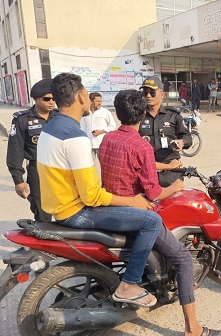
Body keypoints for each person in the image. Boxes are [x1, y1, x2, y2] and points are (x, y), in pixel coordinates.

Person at [99, 89, 221, 336]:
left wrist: (167, 167)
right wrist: (175, 188)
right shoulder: (142, 146)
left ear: (117, 113)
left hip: (109, 207)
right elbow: (154, 192)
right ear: (143, 113)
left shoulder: (107, 139)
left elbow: (139, 163)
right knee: (182, 259)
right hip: (135, 212)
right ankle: (193, 329)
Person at [37, 73, 160, 307]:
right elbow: (92, 196)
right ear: (81, 96)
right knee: (151, 221)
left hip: (57, 208)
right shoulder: (75, 138)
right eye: (86, 93)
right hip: (76, 212)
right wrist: (133, 202)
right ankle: (130, 284)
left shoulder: (50, 127)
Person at [6, 79, 57, 222]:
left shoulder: (60, 117)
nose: (51, 102)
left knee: (66, 211)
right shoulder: (22, 119)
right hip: (38, 170)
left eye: (54, 99)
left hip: (61, 169)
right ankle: (43, 243)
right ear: (35, 98)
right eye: (47, 99)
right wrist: (18, 180)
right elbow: (15, 150)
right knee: (42, 210)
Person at [138, 76, 192, 187]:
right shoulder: (138, 116)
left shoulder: (173, 115)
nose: (148, 96)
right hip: (146, 173)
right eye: (145, 93)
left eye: (152, 93)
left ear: (162, 94)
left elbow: (187, 137)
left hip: (171, 173)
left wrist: (182, 142)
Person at [80, 92, 117, 178]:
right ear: (91, 101)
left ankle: (105, 185)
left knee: (105, 167)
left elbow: (113, 126)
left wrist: (101, 131)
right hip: (88, 144)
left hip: (101, 144)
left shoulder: (105, 112)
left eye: (100, 101)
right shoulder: (85, 113)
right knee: (88, 167)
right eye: (97, 101)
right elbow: (81, 126)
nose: (99, 103)